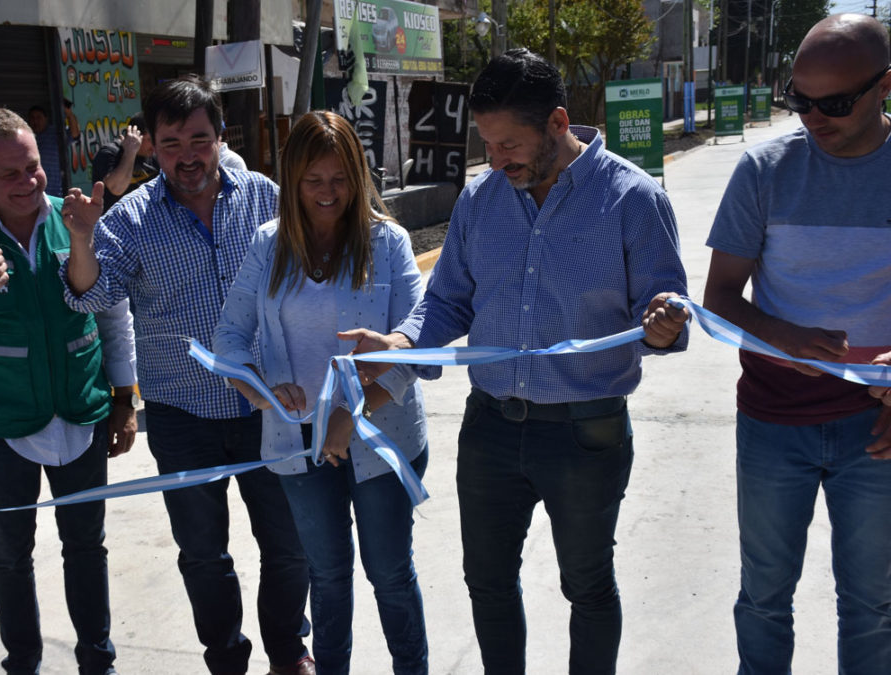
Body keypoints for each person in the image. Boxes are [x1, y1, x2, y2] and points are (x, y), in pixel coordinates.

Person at [343, 50, 690, 673]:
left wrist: (663, 325)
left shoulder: (633, 200)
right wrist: (403, 344)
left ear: (558, 123)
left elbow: (664, 311)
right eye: (488, 144)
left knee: (587, 586)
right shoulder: (482, 202)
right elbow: (448, 300)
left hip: (587, 433)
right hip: (491, 431)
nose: (497, 159)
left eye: (510, 144)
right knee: (489, 583)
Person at [60, 76, 314, 675]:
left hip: (269, 409)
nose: (187, 156)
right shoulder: (133, 219)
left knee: (289, 544)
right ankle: (226, 658)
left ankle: (287, 651)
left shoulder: (266, 198)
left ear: (221, 137)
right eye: (171, 143)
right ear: (150, 145)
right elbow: (87, 297)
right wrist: (81, 239)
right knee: (203, 554)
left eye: (199, 139)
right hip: (182, 417)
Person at [0, 107, 138, 675]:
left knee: (87, 548)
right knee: (11, 557)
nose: (28, 183)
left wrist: (122, 399)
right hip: (2, 427)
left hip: (82, 415)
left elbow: (113, 316)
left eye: (33, 167)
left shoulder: (77, 219)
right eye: (9, 174)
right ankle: (24, 663)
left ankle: (98, 660)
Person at [702, 14, 891, 673]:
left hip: (876, 427)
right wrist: (788, 337)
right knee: (763, 597)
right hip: (773, 421)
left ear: (883, 88)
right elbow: (719, 296)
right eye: (799, 99)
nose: (813, 117)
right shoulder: (764, 170)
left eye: (834, 104)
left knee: (872, 604)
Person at [213, 111, 431, 674]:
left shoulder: (390, 243)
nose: (328, 193)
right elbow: (229, 338)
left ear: (358, 177)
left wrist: (351, 417)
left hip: (382, 441)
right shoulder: (269, 245)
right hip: (297, 445)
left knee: (389, 574)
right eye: (314, 181)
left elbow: (417, 346)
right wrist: (259, 384)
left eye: (340, 179)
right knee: (327, 576)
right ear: (293, 182)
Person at [90, 112, 157, 214]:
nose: (154, 145)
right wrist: (130, 152)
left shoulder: (154, 157)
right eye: (150, 139)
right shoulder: (109, 153)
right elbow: (116, 188)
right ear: (135, 135)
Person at [28, 103, 80, 197]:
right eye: (32, 118)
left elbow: (75, 134)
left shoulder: (55, 133)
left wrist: (69, 114)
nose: (35, 121)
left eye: (39, 117)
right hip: (33, 192)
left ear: (46, 119)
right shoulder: (26, 137)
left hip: (56, 192)